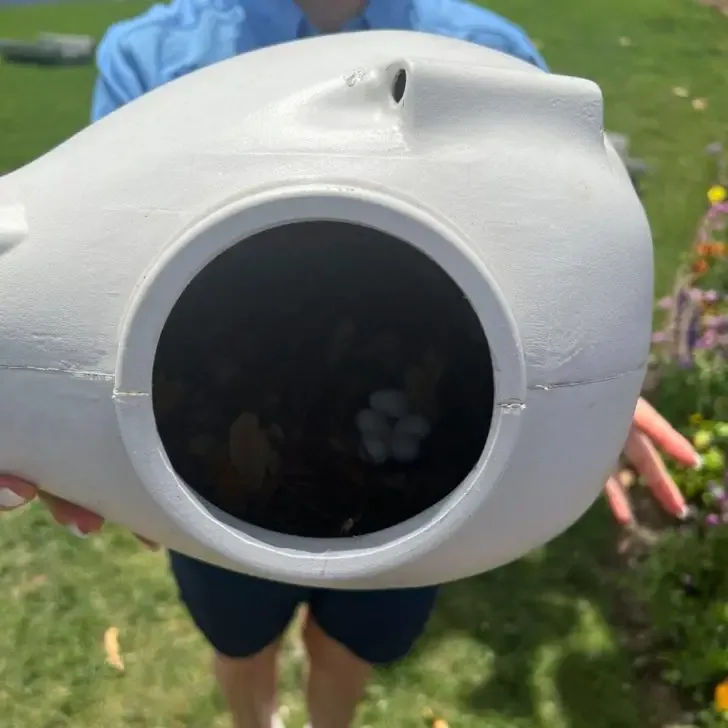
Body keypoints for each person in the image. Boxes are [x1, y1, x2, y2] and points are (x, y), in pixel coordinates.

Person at [0, 2, 703, 727]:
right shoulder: (152, 52)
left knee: (354, 640)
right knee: (238, 635)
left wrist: (585, 384)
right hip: (203, 463)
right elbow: (104, 265)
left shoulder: (484, 55)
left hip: (432, 476)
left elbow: (549, 247)